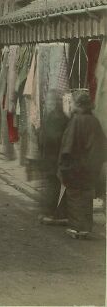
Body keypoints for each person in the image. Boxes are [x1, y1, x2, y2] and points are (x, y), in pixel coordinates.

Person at [58, 91, 106, 239]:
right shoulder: (94, 120)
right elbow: (102, 145)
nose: (70, 105)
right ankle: (85, 227)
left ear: (77, 105)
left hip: (76, 166)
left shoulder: (76, 121)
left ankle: (76, 228)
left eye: (71, 102)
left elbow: (68, 145)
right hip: (92, 167)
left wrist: (64, 165)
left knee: (74, 196)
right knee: (86, 196)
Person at [38, 90, 69, 226]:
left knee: (53, 186)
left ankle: (50, 213)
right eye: (47, 101)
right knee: (52, 185)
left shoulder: (56, 118)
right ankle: (51, 212)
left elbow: (53, 139)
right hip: (51, 158)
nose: (47, 104)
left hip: (53, 158)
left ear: (56, 102)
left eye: (50, 101)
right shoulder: (57, 117)